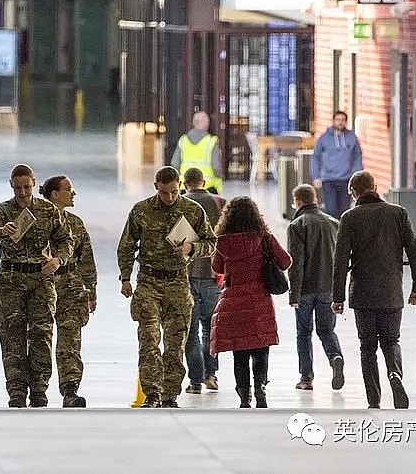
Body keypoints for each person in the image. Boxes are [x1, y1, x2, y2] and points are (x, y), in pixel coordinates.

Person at [117, 166, 216, 408]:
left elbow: (211, 243)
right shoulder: (141, 211)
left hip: (178, 282)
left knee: (175, 343)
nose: (169, 197)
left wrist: (191, 249)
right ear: (155, 187)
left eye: (173, 192)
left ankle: (170, 394)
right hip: (148, 282)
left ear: (180, 185)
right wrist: (125, 277)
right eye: (164, 193)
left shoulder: (193, 210)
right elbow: (127, 245)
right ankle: (152, 393)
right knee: (149, 340)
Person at [332, 170, 416, 409]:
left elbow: (340, 260)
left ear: (354, 192)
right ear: (375, 186)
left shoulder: (349, 218)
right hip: (392, 292)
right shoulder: (398, 213)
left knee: (367, 347)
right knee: (392, 341)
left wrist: (338, 297)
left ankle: (374, 399)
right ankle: (394, 374)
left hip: (362, 294)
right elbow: (414, 252)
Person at [0, 164, 73, 408]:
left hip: (41, 281)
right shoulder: (4, 210)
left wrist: (58, 260)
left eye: (27, 187)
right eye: (18, 187)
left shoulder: (49, 211)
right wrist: (3, 230)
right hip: (11, 279)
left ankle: (39, 388)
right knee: (12, 336)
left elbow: (66, 239)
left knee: (42, 335)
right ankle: (16, 390)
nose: (22, 192)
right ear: (11, 185)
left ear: (34, 183)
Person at [209, 197, 292, 408]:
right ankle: (260, 388)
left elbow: (217, 267)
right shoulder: (263, 238)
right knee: (261, 347)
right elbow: (286, 261)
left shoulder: (222, 240)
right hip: (259, 299)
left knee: (240, 352)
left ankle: (244, 397)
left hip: (233, 301)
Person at [40, 175, 97, 408]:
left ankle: (70, 389)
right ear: (54, 194)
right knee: (39, 338)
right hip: (43, 285)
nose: (73, 194)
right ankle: (37, 389)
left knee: (70, 340)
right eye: (68, 190)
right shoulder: (37, 219)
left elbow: (86, 257)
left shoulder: (75, 223)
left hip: (71, 287)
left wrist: (90, 290)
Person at [287, 183, 345, 392]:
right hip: (328, 288)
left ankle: (306, 378)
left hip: (305, 289)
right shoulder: (334, 223)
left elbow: (296, 262)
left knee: (304, 333)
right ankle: (335, 357)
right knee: (327, 330)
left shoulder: (297, 225)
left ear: (299, 202)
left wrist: (294, 293)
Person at [181, 167, 226, 394]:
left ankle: (195, 381)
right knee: (211, 327)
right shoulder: (220, 203)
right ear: (203, 181)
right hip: (214, 275)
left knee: (191, 331)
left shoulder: (179, 204)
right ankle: (212, 374)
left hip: (187, 275)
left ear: (185, 183)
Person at [311, 110, 363, 218]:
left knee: (345, 211)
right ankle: (333, 233)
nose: (340, 122)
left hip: (346, 179)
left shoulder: (352, 137)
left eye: (343, 120)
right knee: (331, 210)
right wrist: (316, 176)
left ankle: (342, 233)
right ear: (333, 121)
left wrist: (357, 175)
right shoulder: (324, 138)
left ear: (346, 122)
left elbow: (357, 156)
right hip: (328, 179)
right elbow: (315, 156)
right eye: (338, 120)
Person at [171, 111, 223, 193]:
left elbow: (175, 163)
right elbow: (216, 167)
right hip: (207, 186)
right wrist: (220, 177)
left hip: (185, 186)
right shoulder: (211, 141)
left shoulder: (183, 140)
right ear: (205, 123)